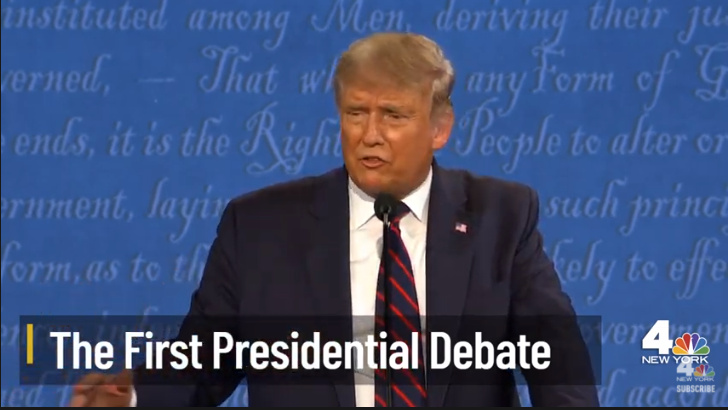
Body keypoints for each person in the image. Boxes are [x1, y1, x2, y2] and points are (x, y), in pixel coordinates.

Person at [69, 32, 599, 407]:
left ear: (440, 128)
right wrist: (131, 397)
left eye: (393, 115)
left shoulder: (500, 217)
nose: (370, 135)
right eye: (356, 113)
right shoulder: (259, 227)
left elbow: (559, 365)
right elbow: (204, 363)